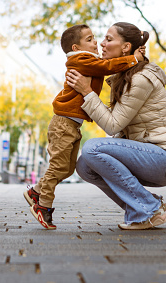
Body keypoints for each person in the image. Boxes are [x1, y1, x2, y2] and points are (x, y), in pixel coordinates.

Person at [66, 22, 166, 230]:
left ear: (125, 48)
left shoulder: (141, 78)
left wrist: (88, 92)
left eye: (108, 39)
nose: (101, 44)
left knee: (92, 148)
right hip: (151, 156)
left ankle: (147, 208)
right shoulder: (124, 77)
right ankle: (144, 207)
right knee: (85, 166)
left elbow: (112, 125)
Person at [24, 24, 145, 230]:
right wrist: (134, 59)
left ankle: (35, 191)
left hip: (71, 124)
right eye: (89, 39)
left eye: (94, 38)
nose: (96, 42)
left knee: (68, 168)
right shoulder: (81, 59)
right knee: (58, 166)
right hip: (64, 123)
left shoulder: (89, 60)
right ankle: (43, 206)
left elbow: (107, 65)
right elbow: (107, 68)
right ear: (76, 47)